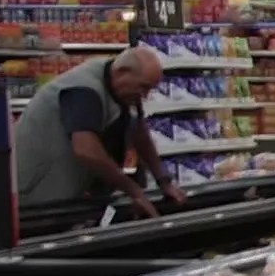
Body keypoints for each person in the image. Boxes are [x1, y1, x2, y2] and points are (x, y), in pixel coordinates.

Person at [10, 42, 176, 228]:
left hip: (68, 195)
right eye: (143, 87)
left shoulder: (123, 88)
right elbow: (86, 149)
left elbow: (138, 131)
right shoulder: (84, 89)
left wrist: (163, 180)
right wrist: (133, 191)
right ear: (122, 72)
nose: (145, 96)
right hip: (35, 193)